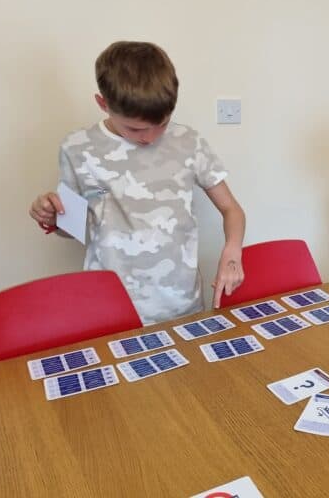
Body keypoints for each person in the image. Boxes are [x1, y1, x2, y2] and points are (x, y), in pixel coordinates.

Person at [28, 41, 246, 325]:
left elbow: (232, 209)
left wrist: (233, 251)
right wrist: (52, 217)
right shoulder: (78, 148)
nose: (151, 138)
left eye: (163, 124)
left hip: (181, 304)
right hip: (108, 307)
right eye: (136, 129)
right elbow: (75, 230)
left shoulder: (188, 142)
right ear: (103, 104)